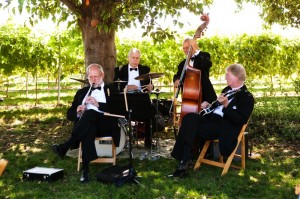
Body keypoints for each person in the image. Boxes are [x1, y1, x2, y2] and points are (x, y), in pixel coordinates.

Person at [171, 63, 254, 177]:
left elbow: (240, 120)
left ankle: (184, 161)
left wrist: (227, 106)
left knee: (189, 127)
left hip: (223, 125)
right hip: (210, 118)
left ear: (237, 77)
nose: (225, 77)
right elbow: (217, 106)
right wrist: (209, 105)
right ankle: (184, 161)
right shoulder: (227, 89)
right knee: (189, 118)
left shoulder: (247, 97)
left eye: (228, 75)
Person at [52, 63, 120, 183]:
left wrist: (98, 104)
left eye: (96, 77)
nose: (93, 80)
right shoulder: (81, 92)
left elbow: (117, 110)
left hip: (106, 125)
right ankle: (85, 171)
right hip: (87, 126)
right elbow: (70, 114)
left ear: (102, 75)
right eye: (91, 77)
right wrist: (78, 112)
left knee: (90, 114)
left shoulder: (111, 90)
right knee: (88, 126)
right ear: (87, 77)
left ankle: (67, 145)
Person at [114, 48, 154, 148]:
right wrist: (127, 87)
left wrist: (150, 87)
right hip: (125, 98)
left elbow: (150, 84)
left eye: (137, 58)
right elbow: (115, 86)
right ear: (128, 58)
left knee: (151, 111)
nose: (135, 60)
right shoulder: (120, 70)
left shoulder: (145, 69)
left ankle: (148, 141)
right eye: (133, 58)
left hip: (141, 97)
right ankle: (119, 141)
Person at [173, 38, 216, 103]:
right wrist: (176, 80)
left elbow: (207, 64)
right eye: (183, 48)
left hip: (205, 96)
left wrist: (197, 50)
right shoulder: (182, 64)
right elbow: (177, 75)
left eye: (187, 48)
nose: (185, 50)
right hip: (188, 97)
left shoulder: (204, 55)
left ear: (192, 47)